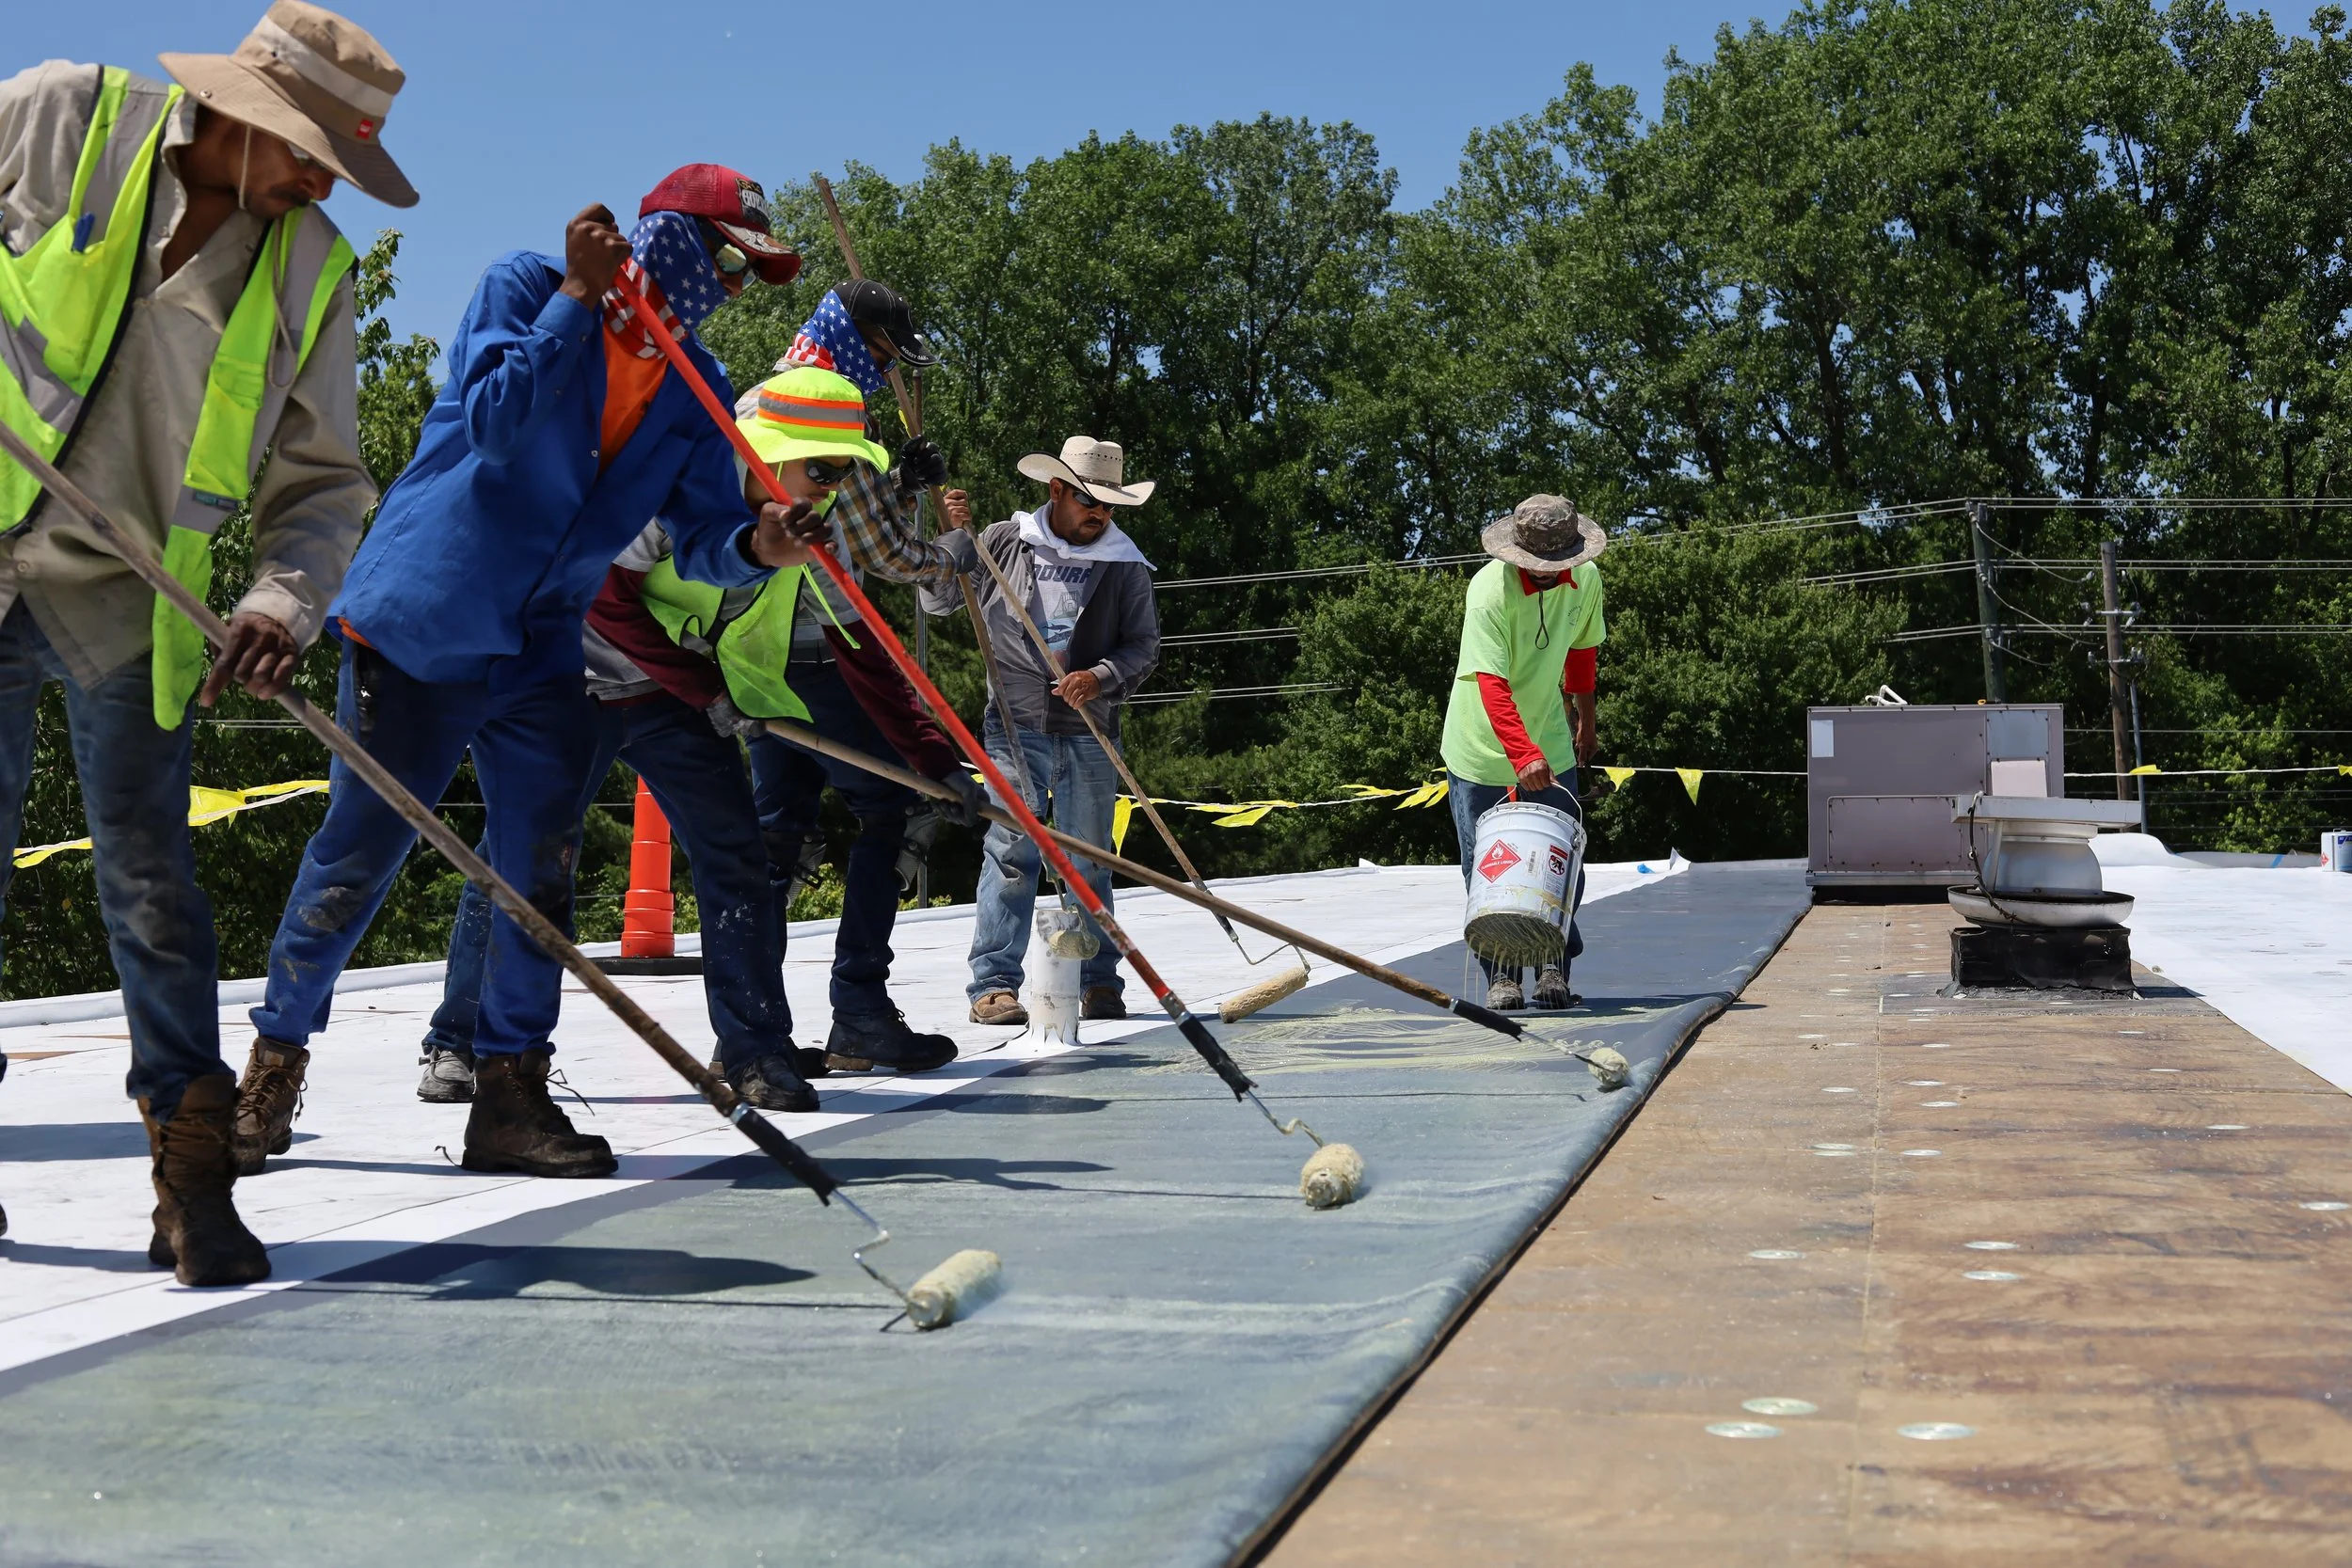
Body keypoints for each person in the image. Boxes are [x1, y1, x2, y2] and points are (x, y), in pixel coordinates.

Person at [234, 167, 809, 1183]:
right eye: (725, 257)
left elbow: (703, 535)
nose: (728, 284)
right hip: (429, 618)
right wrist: (579, 298)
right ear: (667, 235)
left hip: (546, 639)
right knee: (359, 852)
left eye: (748, 273)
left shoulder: (699, 387)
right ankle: (273, 1062)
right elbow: (496, 423)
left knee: (535, 864)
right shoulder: (526, 285)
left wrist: (759, 545)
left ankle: (508, 1091)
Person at [0, 2, 411, 1286]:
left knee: (153, 888)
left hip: (131, 599)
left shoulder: (307, 267)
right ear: (243, 119)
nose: (315, 182)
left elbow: (325, 485)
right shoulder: (59, 119)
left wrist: (282, 600)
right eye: (307, 154)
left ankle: (191, 1177)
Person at [416, 365, 987, 1109]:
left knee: (737, 855)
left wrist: (939, 763)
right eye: (823, 467)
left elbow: (863, 648)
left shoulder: (810, 529)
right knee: (517, 859)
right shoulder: (669, 485)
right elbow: (606, 600)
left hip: (668, 693)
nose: (835, 486)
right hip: (566, 680)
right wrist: (707, 690)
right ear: (765, 452)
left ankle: (754, 1053)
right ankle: (457, 1039)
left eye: (846, 471)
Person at [736, 285, 998, 1066]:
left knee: (775, 838)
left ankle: (755, 1033)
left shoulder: (774, 390)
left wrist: (903, 487)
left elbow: (854, 522)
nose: (884, 375)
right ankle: (858, 1010)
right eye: (881, 356)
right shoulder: (820, 408)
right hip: (818, 650)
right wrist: (951, 556)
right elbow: (876, 554)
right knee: (899, 807)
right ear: (851, 338)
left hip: (760, 657)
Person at [921, 437, 1162, 1025]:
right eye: (1089, 501)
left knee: (1091, 859)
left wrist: (1101, 677)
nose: (1099, 514)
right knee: (1010, 851)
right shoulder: (1004, 541)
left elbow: (1142, 646)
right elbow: (939, 600)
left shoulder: (1124, 562)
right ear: (1056, 490)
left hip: (1089, 727)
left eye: (1108, 505)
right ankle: (994, 986)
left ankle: (1099, 981)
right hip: (1013, 723)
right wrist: (951, 542)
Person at [1438, 494, 1606, 1011]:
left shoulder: (1588, 582)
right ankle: (1502, 976)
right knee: (1491, 866)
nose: (1554, 574)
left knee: (1559, 857)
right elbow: (1490, 682)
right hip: (1482, 747)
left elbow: (1581, 653)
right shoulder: (1488, 590)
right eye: (1543, 567)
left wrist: (1586, 724)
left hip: (1549, 740)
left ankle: (1553, 968)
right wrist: (1520, 755)